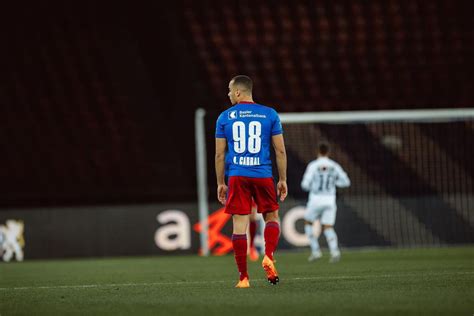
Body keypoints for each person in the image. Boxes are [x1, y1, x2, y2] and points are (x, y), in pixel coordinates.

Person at [215, 75, 287, 288]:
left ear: (238, 92)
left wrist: (221, 182)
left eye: (229, 90)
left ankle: (243, 278)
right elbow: (280, 150)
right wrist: (282, 179)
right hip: (263, 173)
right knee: (272, 216)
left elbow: (220, 155)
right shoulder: (270, 114)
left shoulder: (224, 117)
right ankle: (268, 255)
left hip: (237, 175)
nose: (228, 94)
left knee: (239, 225)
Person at [301, 142, 350, 263]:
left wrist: (312, 186)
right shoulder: (334, 165)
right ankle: (334, 252)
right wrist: (335, 183)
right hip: (330, 200)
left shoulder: (313, 165)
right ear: (328, 152)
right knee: (328, 227)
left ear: (318, 151)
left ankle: (316, 251)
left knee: (308, 223)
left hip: (316, 199)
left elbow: (305, 185)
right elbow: (346, 182)